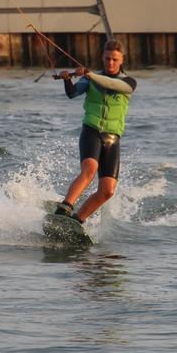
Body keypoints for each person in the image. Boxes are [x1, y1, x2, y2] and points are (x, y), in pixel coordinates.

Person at [53, 38, 138, 224]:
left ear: (122, 59)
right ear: (102, 57)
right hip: (91, 131)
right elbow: (72, 93)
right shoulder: (89, 79)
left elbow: (111, 85)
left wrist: (90, 75)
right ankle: (64, 208)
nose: (111, 63)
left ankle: (77, 221)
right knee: (90, 168)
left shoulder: (129, 82)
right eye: (107, 58)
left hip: (113, 138)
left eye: (115, 59)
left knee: (108, 191)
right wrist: (67, 80)